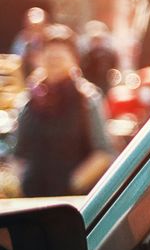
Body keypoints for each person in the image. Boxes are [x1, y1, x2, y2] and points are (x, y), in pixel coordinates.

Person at [14, 25, 115, 197]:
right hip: (31, 202)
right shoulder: (29, 100)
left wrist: (71, 185)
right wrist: (22, 183)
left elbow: (103, 153)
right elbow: (18, 152)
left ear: (74, 59)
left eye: (60, 55)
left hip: (70, 206)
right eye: (49, 53)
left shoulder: (87, 98)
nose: (54, 59)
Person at [80, 20, 120, 94]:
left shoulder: (109, 54)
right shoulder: (86, 55)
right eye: (94, 40)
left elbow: (114, 67)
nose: (96, 43)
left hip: (105, 83)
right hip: (91, 83)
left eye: (98, 40)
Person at [10, 6, 47, 79]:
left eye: (37, 27)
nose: (34, 31)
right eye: (31, 27)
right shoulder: (21, 38)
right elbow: (15, 58)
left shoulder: (50, 41)